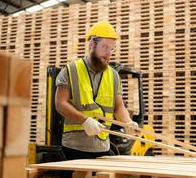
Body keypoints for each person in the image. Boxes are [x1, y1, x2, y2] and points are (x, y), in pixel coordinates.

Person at [55, 21, 138, 163]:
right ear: (92, 44)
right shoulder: (71, 70)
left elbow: (119, 107)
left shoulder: (114, 76)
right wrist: (85, 120)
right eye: (104, 47)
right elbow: (60, 103)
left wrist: (128, 122)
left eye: (112, 49)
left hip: (102, 148)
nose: (108, 53)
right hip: (74, 148)